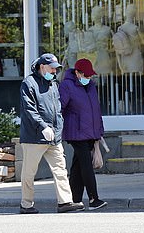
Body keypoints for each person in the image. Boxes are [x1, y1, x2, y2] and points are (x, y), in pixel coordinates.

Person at [19, 53, 84, 214]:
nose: (55, 71)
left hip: (53, 137)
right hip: (34, 137)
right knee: (29, 172)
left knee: (60, 169)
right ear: (42, 67)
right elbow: (29, 110)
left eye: (56, 69)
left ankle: (65, 202)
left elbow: (57, 108)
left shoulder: (53, 83)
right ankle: (26, 204)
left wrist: (57, 130)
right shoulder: (29, 83)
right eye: (52, 68)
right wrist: (43, 126)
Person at [59, 58, 108, 210]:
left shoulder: (91, 86)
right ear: (77, 73)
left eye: (90, 76)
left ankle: (75, 199)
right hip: (76, 132)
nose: (89, 78)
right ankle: (94, 199)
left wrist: (99, 131)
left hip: (90, 132)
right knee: (86, 165)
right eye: (86, 75)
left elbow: (95, 110)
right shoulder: (67, 85)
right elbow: (60, 107)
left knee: (77, 166)